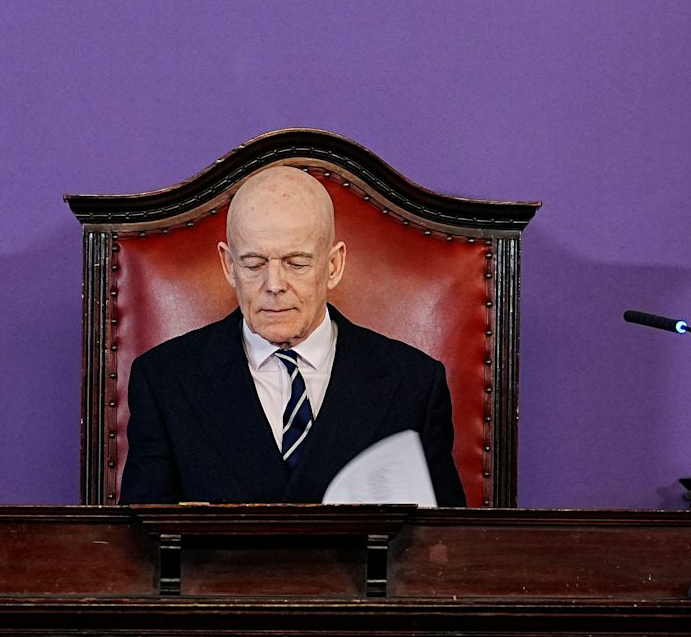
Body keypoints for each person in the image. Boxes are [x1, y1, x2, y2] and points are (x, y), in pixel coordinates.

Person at [118, 165, 467, 505]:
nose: (274, 285)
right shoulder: (164, 381)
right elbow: (143, 536)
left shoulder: (413, 384)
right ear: (229, 265)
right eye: (254, 264)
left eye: (296, 263)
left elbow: (444, 538)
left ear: (333, 265)